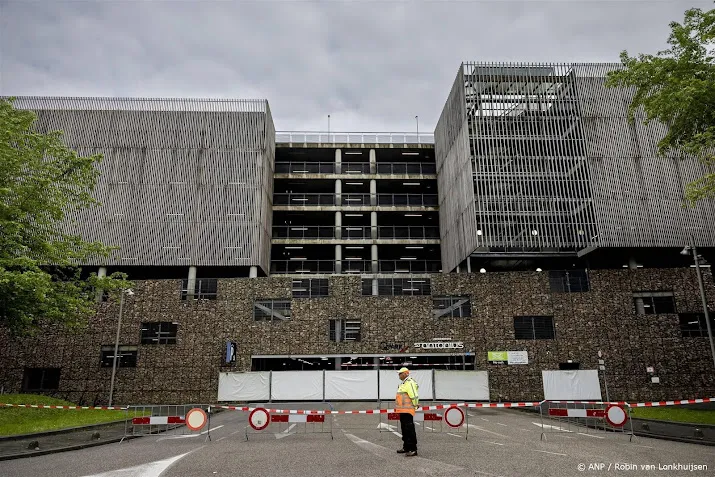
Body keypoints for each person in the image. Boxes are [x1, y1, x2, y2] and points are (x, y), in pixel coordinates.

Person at [395, 367, 419, 456]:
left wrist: (415, 405)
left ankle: (413, 449)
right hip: (402, 410)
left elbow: (414, 395)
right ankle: (406, 447)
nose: (399, 375)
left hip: (407, 410)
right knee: (404, 429)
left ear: (405, 373)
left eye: (400, 373)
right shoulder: (403, 383)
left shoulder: (409, 383)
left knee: (409, 429)